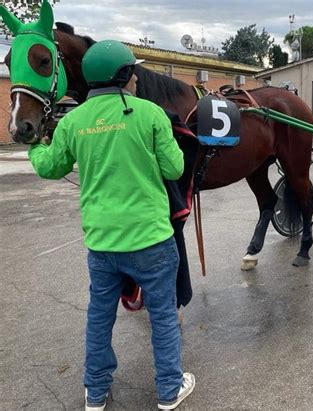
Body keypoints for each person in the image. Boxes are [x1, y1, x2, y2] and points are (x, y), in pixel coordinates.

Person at [28, 40, 195, 410]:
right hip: (152, 240)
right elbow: (175, 169)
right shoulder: (150, 114)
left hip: (102, 245)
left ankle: (96, 391)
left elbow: (49, 167)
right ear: (125, 76)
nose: (136, 78)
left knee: (99, 318)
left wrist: (36, 145)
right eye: (132, 71)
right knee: (164, 315)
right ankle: (169, 389)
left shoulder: (74, 121)